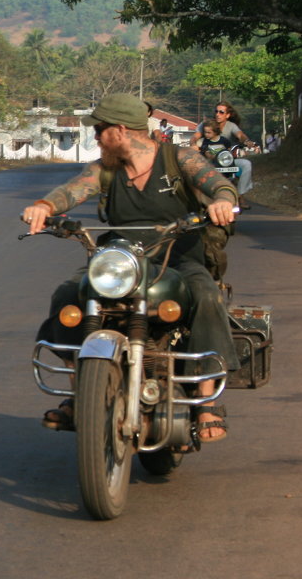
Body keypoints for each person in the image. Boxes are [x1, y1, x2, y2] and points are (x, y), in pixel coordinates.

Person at [23, 93, 239, 442]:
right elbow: (73, 190)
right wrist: (45, 206)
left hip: (177, 253)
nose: (96, 137)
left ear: (120, 130)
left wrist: (223, 202)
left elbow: (218, 183)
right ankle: (81, 394)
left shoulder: (179, 158)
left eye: (100, 130)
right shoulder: (105, 170)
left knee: (206, 295)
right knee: (68, 294)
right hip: (119, 255)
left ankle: (205, 402)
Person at [192, 102, 255, 209]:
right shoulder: (205, 124)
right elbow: (195, 136)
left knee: (246, 164)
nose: (218, 114)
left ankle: (240, 196)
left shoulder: (231, 126)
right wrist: (193, 144)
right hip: (208, 161)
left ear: (227, 115)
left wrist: (247, 141)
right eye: (216, 111)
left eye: (221, 112)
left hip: (226, 162)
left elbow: (240, 135)